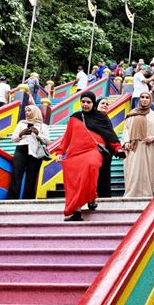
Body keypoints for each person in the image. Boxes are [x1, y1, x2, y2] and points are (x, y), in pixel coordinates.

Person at [55, 91, 123, 221]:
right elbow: (66, 137)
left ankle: (91, 197)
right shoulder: (74, 118)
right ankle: (76, 212)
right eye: (83, 102)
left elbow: (110, 135)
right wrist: (60, 151)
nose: (85, 104)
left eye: (89, 102)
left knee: (91, 168)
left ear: (93, 103)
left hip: (93, 152)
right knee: (75, 182)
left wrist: (118, 149)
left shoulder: (101, 117)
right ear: (80, 102)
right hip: (75, 154)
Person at [122, 91, 154, 198]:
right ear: (139, 99)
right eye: (142, 97)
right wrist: (126, 141)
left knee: (148, 172)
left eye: (147, 97)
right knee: (132, 172)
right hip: (133, 148)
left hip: (149, 147)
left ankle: (147, 194)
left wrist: (153, 137)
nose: (144, 99)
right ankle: (131, 194)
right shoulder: (132, 114)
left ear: (150, 100)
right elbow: (126, 129)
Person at [8, 105, 50, 200]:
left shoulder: (43, 126)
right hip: (21, 150)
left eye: (29, 111)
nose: (26, 113)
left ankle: (28, 200)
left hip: (35, 152)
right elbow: (13, 139)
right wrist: (20, 134)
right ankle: (12, 199)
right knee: (16, 175)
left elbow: (47, 141)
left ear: (35, 112)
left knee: (31, 178)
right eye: (26, 111)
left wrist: (37, 133)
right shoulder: (21, 123)